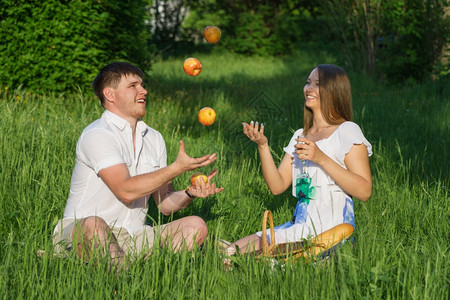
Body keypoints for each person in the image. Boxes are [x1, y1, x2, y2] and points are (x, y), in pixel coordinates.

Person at [53, 62, 224, 268]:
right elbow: (126, 190)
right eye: (133, 86)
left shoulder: (154, 138)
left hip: (135, 234)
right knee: (94, 224)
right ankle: (124, 278)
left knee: (195, 225)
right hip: (84, 230)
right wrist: (176, 168)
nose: (143, 91)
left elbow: (165, 204)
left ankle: (153, 270)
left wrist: (190, 193)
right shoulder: (98, 135)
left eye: (142, 85)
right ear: (110, 94)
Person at [225, 64, 372, 256]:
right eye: (308, 82)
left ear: (335, 91)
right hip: (298, 228)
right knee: (230, 252)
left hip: (329, 234)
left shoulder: (347, 130)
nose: (308, 88)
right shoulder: (300, 136)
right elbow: (277, 186)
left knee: (248, 259)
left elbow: (364, 191)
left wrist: (320, 158)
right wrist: (262, 145)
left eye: (317, 84)